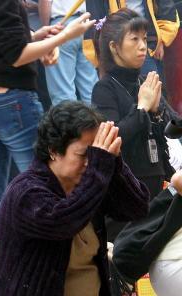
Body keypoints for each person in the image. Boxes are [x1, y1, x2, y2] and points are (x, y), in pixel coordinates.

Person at [0, 0, 96, 293]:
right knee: (53, 198)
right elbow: (14, 55)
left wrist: (37, 37)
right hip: (11, 102)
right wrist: (62, 37)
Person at [0, 101, 149, 296]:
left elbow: (137, 207)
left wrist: (114, 162)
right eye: (83, 154)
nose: (91, 162)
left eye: (96, 153)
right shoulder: (25, 193)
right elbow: (63, 221)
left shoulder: (90, 182)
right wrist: (100, 166)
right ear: (53, 150)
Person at [91, 8, 179, 241]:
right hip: (124, 199)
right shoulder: (104, 89)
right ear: (114, 47)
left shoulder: (144, 82)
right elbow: (112, 138)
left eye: (144, 38)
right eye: (134, 39)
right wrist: (142, 109)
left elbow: (172, 127)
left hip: (154, 187)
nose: (143, 46)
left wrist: (159, 112)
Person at [84, 0, 179, 80]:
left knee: (150, 85)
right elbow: (95, 19)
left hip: (148, 45)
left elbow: (167, 10)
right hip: (115, 47)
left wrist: (160, 38)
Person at [37, 0, 99, 105]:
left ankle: (69, 121)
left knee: (62, 92)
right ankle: (98, 120)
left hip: (61, 24)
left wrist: (46, 29)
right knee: (90, 87)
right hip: (84, 23)